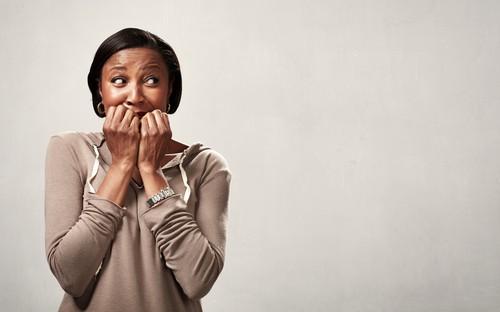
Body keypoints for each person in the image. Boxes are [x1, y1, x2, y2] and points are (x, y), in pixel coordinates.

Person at [44, 28, 231, 312]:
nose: (135, 96)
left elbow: (198, 281)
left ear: (170, 90)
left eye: (152, 80)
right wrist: (121, 165)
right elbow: (70, 276)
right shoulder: (69, 149)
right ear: (100, 89)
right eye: (119, 80)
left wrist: (150, 170)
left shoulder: (206, 165)